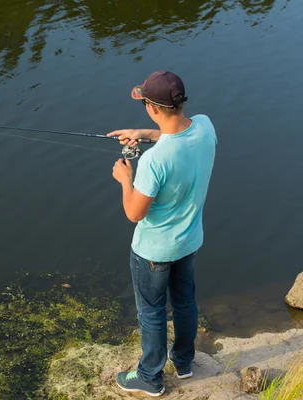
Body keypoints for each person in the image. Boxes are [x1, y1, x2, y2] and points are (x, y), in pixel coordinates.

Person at [107, 71, 217, 396]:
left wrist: (125, 178)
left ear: (152, 108)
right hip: (189, 242)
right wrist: (142, 134)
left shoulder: (155, 162)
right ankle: (183, 362)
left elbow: (134, 213)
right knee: (184, 303)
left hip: (153, 252)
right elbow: (179, 137)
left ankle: (149, 378)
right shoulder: (206, 126)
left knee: (151, 312)